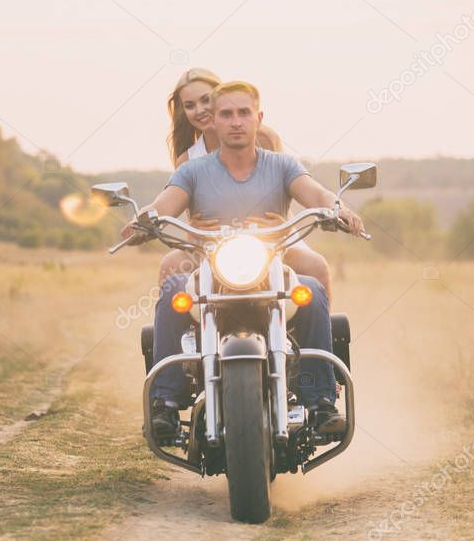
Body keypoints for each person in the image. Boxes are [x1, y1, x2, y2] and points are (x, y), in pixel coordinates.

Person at [119, 80, 366, 442]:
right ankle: (166, 404)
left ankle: (321, 402)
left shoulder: (282, 166)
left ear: (258, 118)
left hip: (269, 265)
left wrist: (337, 209)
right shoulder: (194, 171)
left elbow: (315, 193)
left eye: (244, 113)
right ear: (213, 123)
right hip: (210, 266)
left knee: (310, 290)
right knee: (174, 288)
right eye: (226, 114)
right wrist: (142, 220)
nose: (236, 122)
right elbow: (165, 203)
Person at [158, 68, 332, 299]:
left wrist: (285, 229)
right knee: (170, 268)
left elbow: (277, 189)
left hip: (271, 237)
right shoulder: (188, 160)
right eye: (190, 105)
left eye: (206, 100)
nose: (201, 110)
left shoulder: (262, 140)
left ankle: (319, 332)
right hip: (211, 245)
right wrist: (192, 234)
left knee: (316, 266)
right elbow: (177, 204)